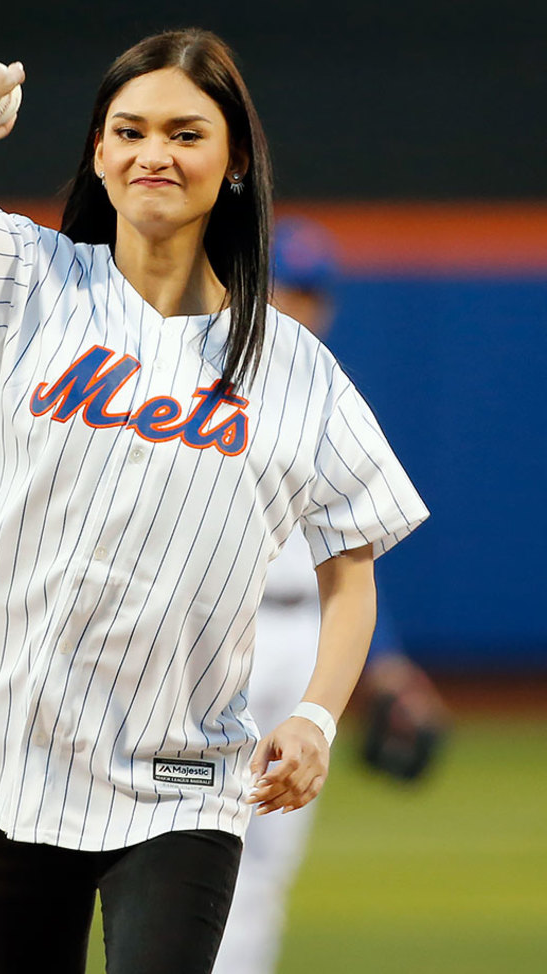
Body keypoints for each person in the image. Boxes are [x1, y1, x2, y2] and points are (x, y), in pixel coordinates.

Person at [0, 29, 428, 974]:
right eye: (128, 130)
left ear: (235, 160)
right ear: (98, 152)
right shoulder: (33, 281)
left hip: (184, 776)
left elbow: (351, 571)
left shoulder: (293, 366)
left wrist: (318, 716)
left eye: (185, 131)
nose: (153, 153)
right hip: (14, 753)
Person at [212, 217, 449, 974]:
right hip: (220, 640)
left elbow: (346, 563)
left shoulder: (327, 402)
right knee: (194, 849)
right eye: (283, 285)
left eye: (310, 292)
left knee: (268, 862)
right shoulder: (197, 391)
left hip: (305, 641)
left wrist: (386, 665)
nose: (297, 305)